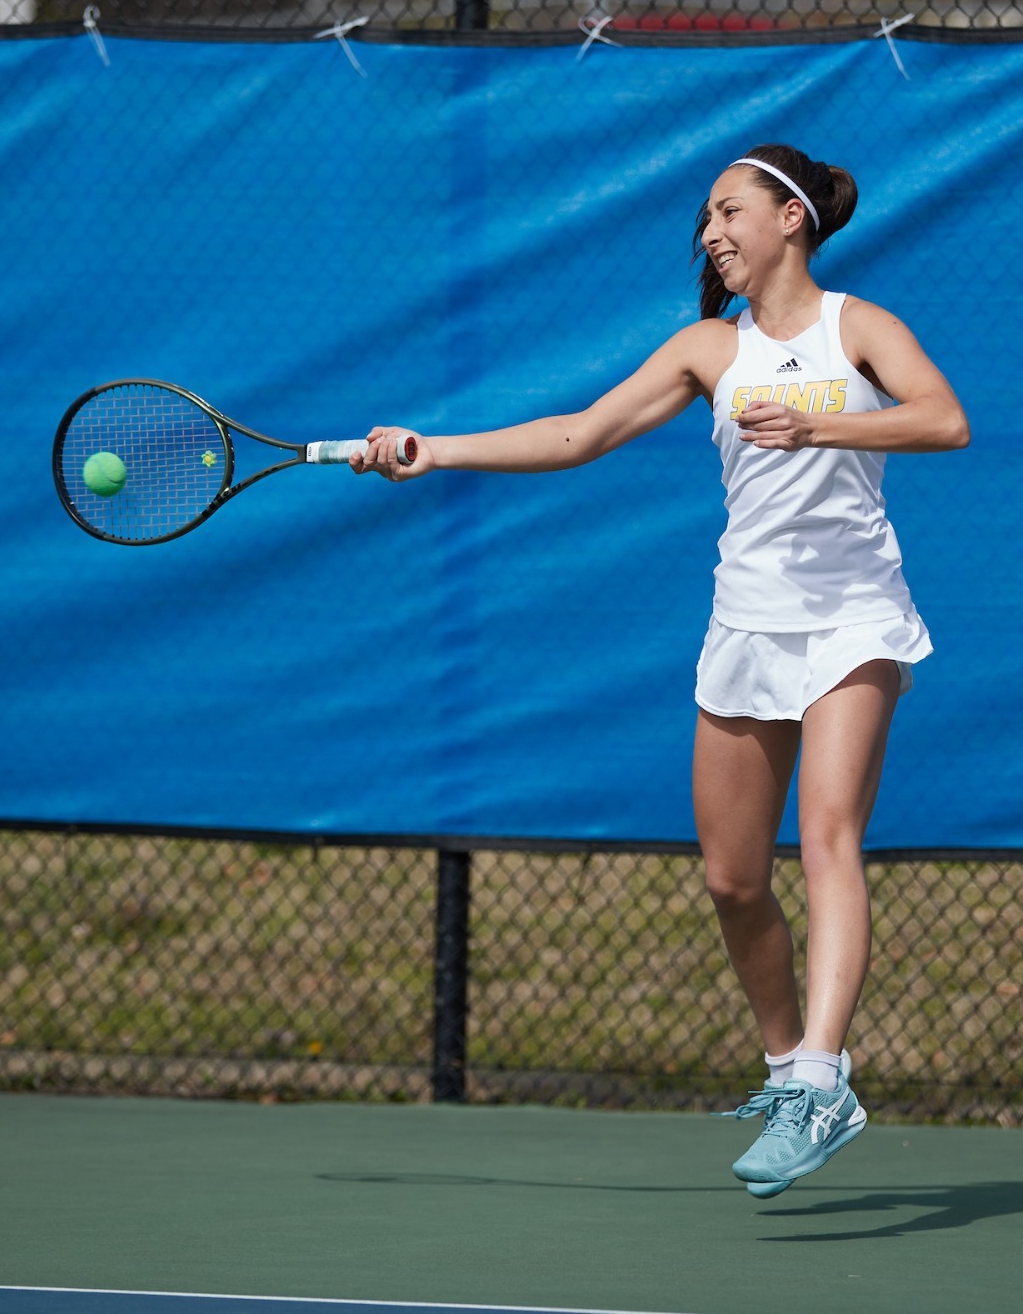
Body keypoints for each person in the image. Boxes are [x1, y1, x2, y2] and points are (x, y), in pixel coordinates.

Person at [351, 144, 968, 1196]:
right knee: (732, 879)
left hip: (852, 619)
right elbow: (577, 432)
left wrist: (817, 422)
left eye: (729, 212)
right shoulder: (704, 350)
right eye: (705, 220)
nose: (712, 233)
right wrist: (433, 449)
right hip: (746, 623)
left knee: (826, 832)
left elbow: (943, 419)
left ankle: (824, 1077)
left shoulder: (857, 327)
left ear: (790, 218)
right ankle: (784, 1068)